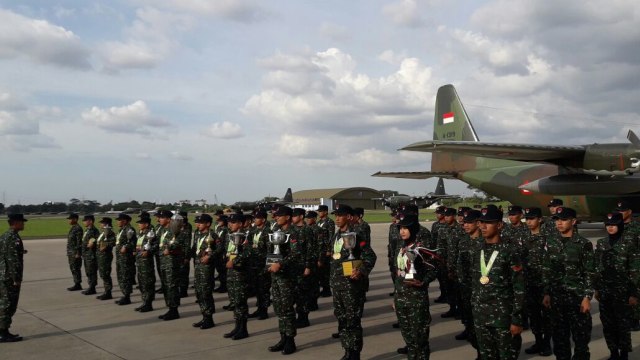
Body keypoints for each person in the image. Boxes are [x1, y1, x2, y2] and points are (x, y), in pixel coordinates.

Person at [542, 207, 594, 360]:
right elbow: (547, 268)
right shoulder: (551, 242)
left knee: (581, 340)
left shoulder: (583, 244)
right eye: (557, 219)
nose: (559, 223)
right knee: (560, 340)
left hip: (577, 299)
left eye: (563, 219)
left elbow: (590, 272)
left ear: (573, 221)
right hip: (557, 299)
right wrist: (546, 292)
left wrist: (587, 297)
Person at [473, 206, 524, 360]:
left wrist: (517, 319)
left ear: (500, 225)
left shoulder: (509, 251)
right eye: (481, 222)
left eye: (488, 222)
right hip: (481, 318)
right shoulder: (478, 249)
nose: (483, 226)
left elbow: (519, 288)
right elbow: (476, 284)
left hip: (503, 319)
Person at [329, 205, 377, 360]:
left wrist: (360, 271)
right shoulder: (336, 235)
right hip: (337, 285)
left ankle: (355, 353)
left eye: (340, 215)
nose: (337, 218)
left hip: (351, 286)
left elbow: (370, 256)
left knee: (352, 321)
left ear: (349, 217)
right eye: (335, 215)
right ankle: (347, 350)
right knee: (342, 320)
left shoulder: (356, 235)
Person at [593, 212, 638, 360]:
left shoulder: (628, 243)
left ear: (619, 225)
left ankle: (624, 354)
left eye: (613, 225)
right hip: (605, 291)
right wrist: (597, 288)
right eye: (608, 225)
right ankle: (613, 353)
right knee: (608, 324)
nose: (610, 228)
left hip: (623, 292)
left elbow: (634, 269)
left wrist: (634, 293)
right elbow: (598, 266)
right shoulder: (601, 243)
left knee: (622, 325)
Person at [394, 213, 438, 359]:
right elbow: (398, 275)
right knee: (410, 341)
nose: (402, 231)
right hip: (401, 300)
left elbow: (433, 270)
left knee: (420, 341)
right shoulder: (400, 248)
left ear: (413, 230)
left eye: (406, 228)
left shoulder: (420, 249)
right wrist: (396, 296)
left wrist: (423, 282)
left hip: (417, 301)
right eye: (400, 228)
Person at [267, 206, 305, 355]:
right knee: (279, 308)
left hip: (288, 276)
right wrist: (270, 264)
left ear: (288, 217)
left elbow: (296, 254)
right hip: (276, 276)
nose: (276, 217)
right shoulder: (277, 231)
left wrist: (280, 264)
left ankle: (290, 341)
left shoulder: (294, 232)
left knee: (287, 308)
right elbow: (273, 251)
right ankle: (283, 337)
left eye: (279, 215)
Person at [521, 208, 552, 357]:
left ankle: (547, 344)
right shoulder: (523, 237)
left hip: (544, 283)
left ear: (540, 219)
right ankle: (538, 341)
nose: (529, 221)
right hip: (529, 283)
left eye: (532, 218)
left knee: (547, 316)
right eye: (527, 219)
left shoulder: (548, 237)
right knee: (533, 316)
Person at [223, 213, 252, 340]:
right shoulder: (229, 235)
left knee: (240, 301)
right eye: (229, 222)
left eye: (233, 222)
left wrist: (234, 261)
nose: (230, 224)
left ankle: (243, 329)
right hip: (231, 272)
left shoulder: (247, 236)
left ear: (240, 223)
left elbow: (248, 253)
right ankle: (237, 326)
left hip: (241, 273)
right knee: (234, 301)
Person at [0, 214, 27, 343]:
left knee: (4, 303)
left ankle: (3, 331)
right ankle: (3, 333)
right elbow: (14, 260)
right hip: (9, 277)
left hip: (3, 274)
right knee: (8, 304)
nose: (24, 224)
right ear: (15, 222)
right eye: (22, 222)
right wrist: (16, 278)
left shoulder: (5, 236)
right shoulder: (13, 238)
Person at [191, 214, 220, 329]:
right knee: (199, 292)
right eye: (197, 222)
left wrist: (210, 256)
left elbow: (220, 248)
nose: (198, 224)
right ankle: (204, 316)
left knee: (206, 292)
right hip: (198, 266)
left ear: (208, 224)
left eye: (201, 222)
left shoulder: (213, 235)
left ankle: (209, 318)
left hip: (207, 268)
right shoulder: (198, 234)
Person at [156, 210, 183, 321]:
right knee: (166, 287)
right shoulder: (163, 230)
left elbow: (178, 242)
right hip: (163, 262)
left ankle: (174, 310)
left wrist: (169, 248)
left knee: (172, 287)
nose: (159, 219)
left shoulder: (175, 230)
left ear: (168, 219)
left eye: (161, 218)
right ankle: (170, 308)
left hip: (171, 263)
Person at [247, 210, 272, 320]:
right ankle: (259, 308)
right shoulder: (253, 231)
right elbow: (248, 244)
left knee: (264, 289)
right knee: (257, 288)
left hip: (263, 264)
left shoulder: (268, 232)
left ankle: (264, 311)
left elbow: (270, 250)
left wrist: (268, 266)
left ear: (263, 219)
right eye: (254, 218)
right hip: (254, 264)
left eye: (257, 218)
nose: (254, 220)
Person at [134, 213, 156, 313]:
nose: (139, 224)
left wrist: (148, 251)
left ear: (146, 224)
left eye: (141, 223)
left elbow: (155, 245)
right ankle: (144, 302)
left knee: (147, 283)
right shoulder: (141, 233)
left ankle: (148, 304)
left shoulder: (150, 233)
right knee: (142, 283)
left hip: (146, 262)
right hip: (139, 261)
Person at [114, 213, 137, 305]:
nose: (118, 222)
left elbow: (132, 242)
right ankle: (124, 294)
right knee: (121, 276)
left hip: (126, 258)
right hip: (120, 257)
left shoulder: (129, 229)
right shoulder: (121, 230)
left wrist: (126, 247)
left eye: (119, 220)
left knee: (125, 277)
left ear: (125, 221)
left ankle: (127, 297)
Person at [317, 205, 335, 298]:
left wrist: (329, 250)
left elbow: (331, 237)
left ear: (325, 212)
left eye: (320, 211)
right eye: (318, 211)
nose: (319, 213)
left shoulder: (329, 222)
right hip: (320, 250)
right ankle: (324, 288)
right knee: (320, 271)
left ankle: (327, 290)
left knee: (326, 271)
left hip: (326, 250)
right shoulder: (319, 222)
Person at [96, 217, 116, 301]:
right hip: (100, 256)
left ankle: (108, 292)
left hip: (105, 256)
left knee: (105, 274)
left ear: (107, 224)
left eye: (102, 223)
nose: (101, 224)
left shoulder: (110, 233)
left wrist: (105, 245)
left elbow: (113, 242)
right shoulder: (103, 233)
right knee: (102, 274)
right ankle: (106, 291)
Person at [80, 215, 100, 295]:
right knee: (88, 271)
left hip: (91, 255)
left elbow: (95, 238)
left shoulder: (94, 230)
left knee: (92, 272)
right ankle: (90, 286)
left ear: (91, 221)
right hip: (86, 255)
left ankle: (92, 288)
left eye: (86, 220)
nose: (84, 222)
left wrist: (92, 242)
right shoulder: (87, 230)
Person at [66, 213, 84, 291]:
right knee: (73, 268)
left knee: (76, 268)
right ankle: (76, 283)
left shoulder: (78, 229)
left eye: (70, 219)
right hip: (71, 252)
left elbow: (79, 242)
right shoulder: (73, 228)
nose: (69, 220)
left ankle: (78, 284)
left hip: (75, 253)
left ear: (75, 219)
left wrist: (78, 253)